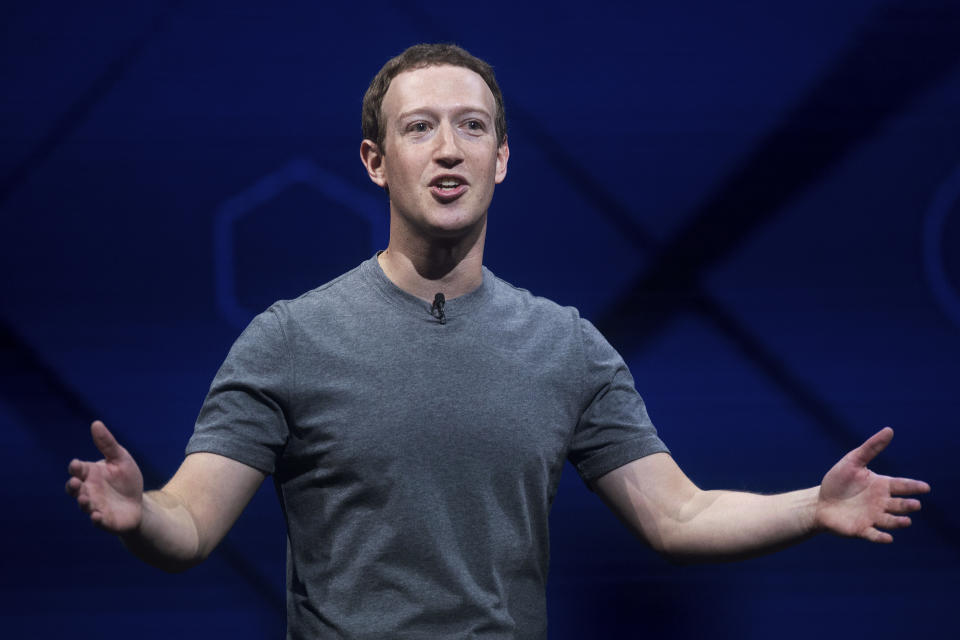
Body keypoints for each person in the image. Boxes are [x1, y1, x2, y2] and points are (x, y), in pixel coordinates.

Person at [66, 43, 930, 639]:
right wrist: (141, 514)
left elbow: (680, 514)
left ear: (503, 157)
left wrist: (812, 508)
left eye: (472, 126)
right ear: (375, 161)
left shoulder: (567, 347)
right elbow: (190, 523)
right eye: (420, 127)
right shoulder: (290, 338)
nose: (449, 150)